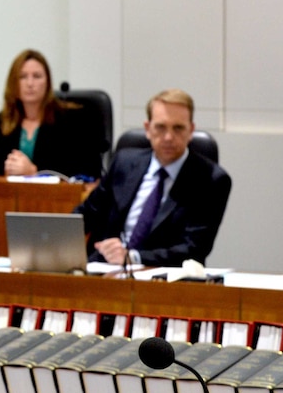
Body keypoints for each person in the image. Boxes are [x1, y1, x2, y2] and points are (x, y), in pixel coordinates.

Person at [75, 88, 232, 267]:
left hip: (165, 279)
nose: (168, 137)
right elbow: (85, 216)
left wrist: (131, 257)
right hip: (105, 270)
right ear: (148, 129)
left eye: (178, 128)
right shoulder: (123, 163)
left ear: (191, 131)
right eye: (160, 127)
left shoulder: (211, 180)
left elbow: (194, 248)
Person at [0, 49, 106, 180]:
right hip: (14, 197)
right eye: (22, 77)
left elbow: (88, 171)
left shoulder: (73, 119)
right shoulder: (5, 120)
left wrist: (35, 171)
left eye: (37, 76)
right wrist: (6, 171)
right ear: (13, 83)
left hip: (62, 198)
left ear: (47, 82)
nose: (30, 84)